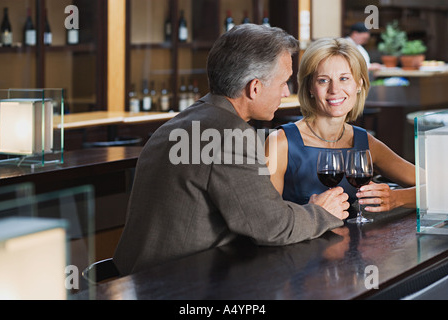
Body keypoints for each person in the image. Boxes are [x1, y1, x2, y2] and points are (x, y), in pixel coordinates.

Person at [113, 24, 350, 276]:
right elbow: (272, 227)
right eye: (283, 82)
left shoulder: (186, 122)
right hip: (174, 286)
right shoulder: (228, 135)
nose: (286, 92)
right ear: (254, 87)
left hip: (134, 280)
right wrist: (321, 213)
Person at [265, 37, 415, 215]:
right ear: (310, 87)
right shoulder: (278, 143)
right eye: (323, 80)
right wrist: (310, 213)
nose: (334, 89)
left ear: (359, 84)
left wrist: (397, 198)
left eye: (344, 78)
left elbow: (438, 187)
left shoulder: (364, 142)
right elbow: (264, 218)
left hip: (350, 241)